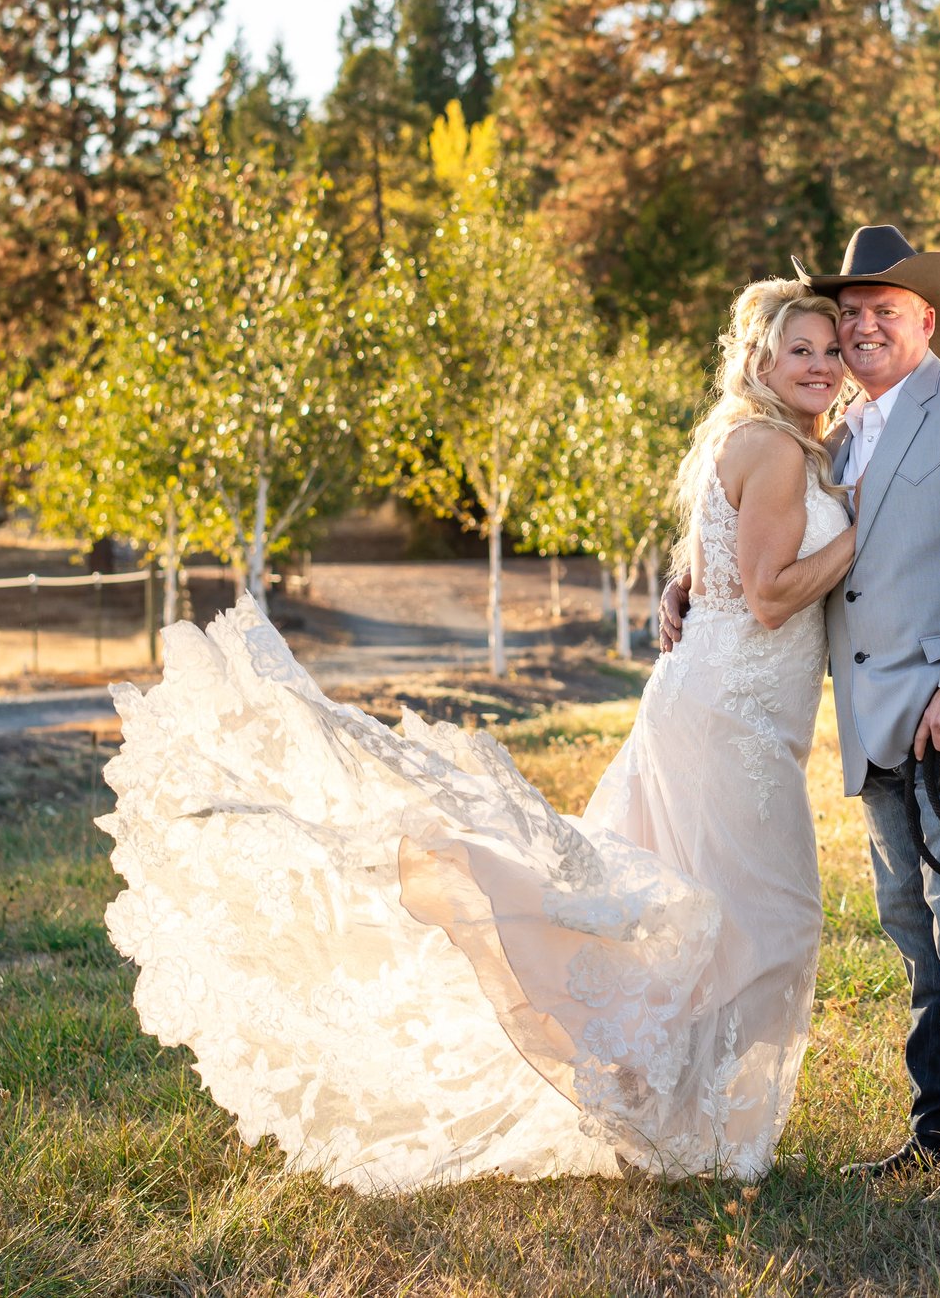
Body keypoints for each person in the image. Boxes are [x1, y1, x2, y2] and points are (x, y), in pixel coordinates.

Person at [97, 279, 854, 1190]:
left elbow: (717, 565)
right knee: (770, 920)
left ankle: (676, 1126)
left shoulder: (764, 442)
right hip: (728, 718)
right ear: (761, 361)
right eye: (799, 350)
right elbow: (772, 596)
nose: (819, 364)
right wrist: (866, 530)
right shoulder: (774, 448)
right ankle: (707, 1140)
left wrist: (687, 581)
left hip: (711, 705)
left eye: (828, 349)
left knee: (682, 915)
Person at [663, 225, 940, 1201]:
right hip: (875, 726)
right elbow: (776, 526)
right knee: (916, 939)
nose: (863, 327)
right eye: (850, 315)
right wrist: (688, 574)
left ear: (925, 318)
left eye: (884, 310)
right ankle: (933, 1129)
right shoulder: (837, 432)